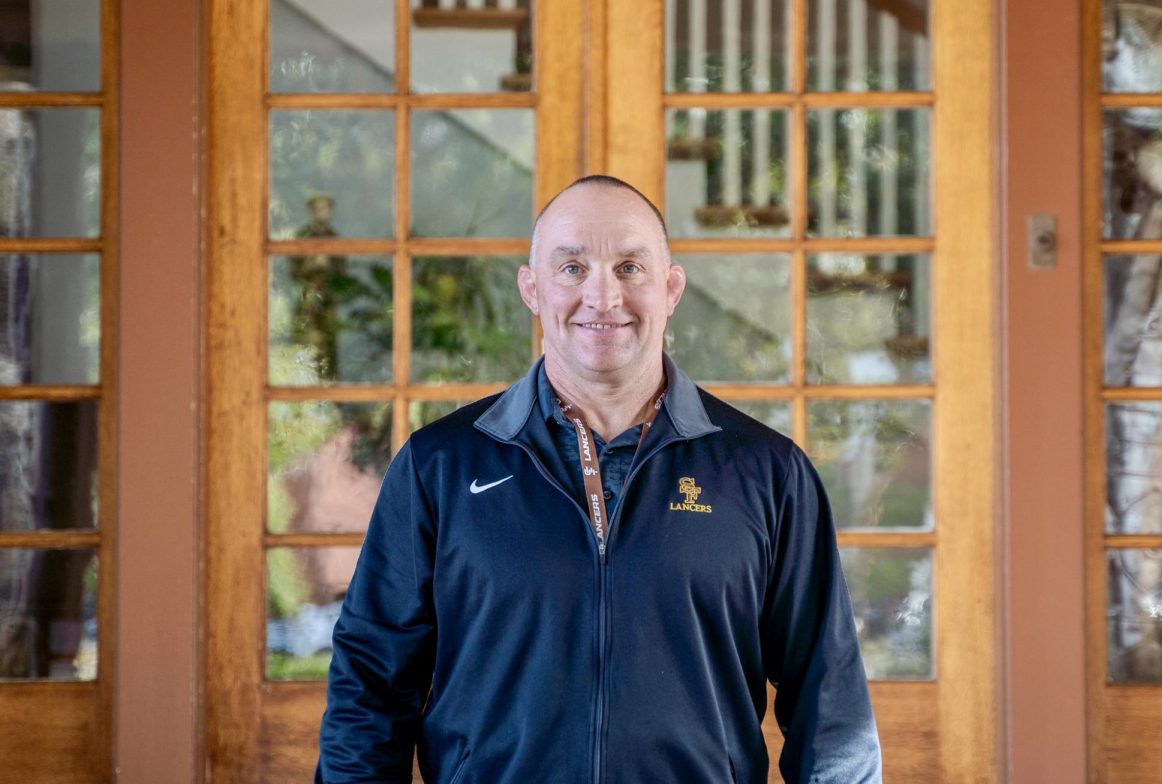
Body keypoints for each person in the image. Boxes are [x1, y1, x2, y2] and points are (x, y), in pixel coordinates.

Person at [316, 175, 882, 783]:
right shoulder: (442, 466)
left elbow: (831, 708)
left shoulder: (766, 472)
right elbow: (370, 688)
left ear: (671, 288)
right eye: (572, 268)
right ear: (531, 289)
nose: (603, 296)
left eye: (631, 267)